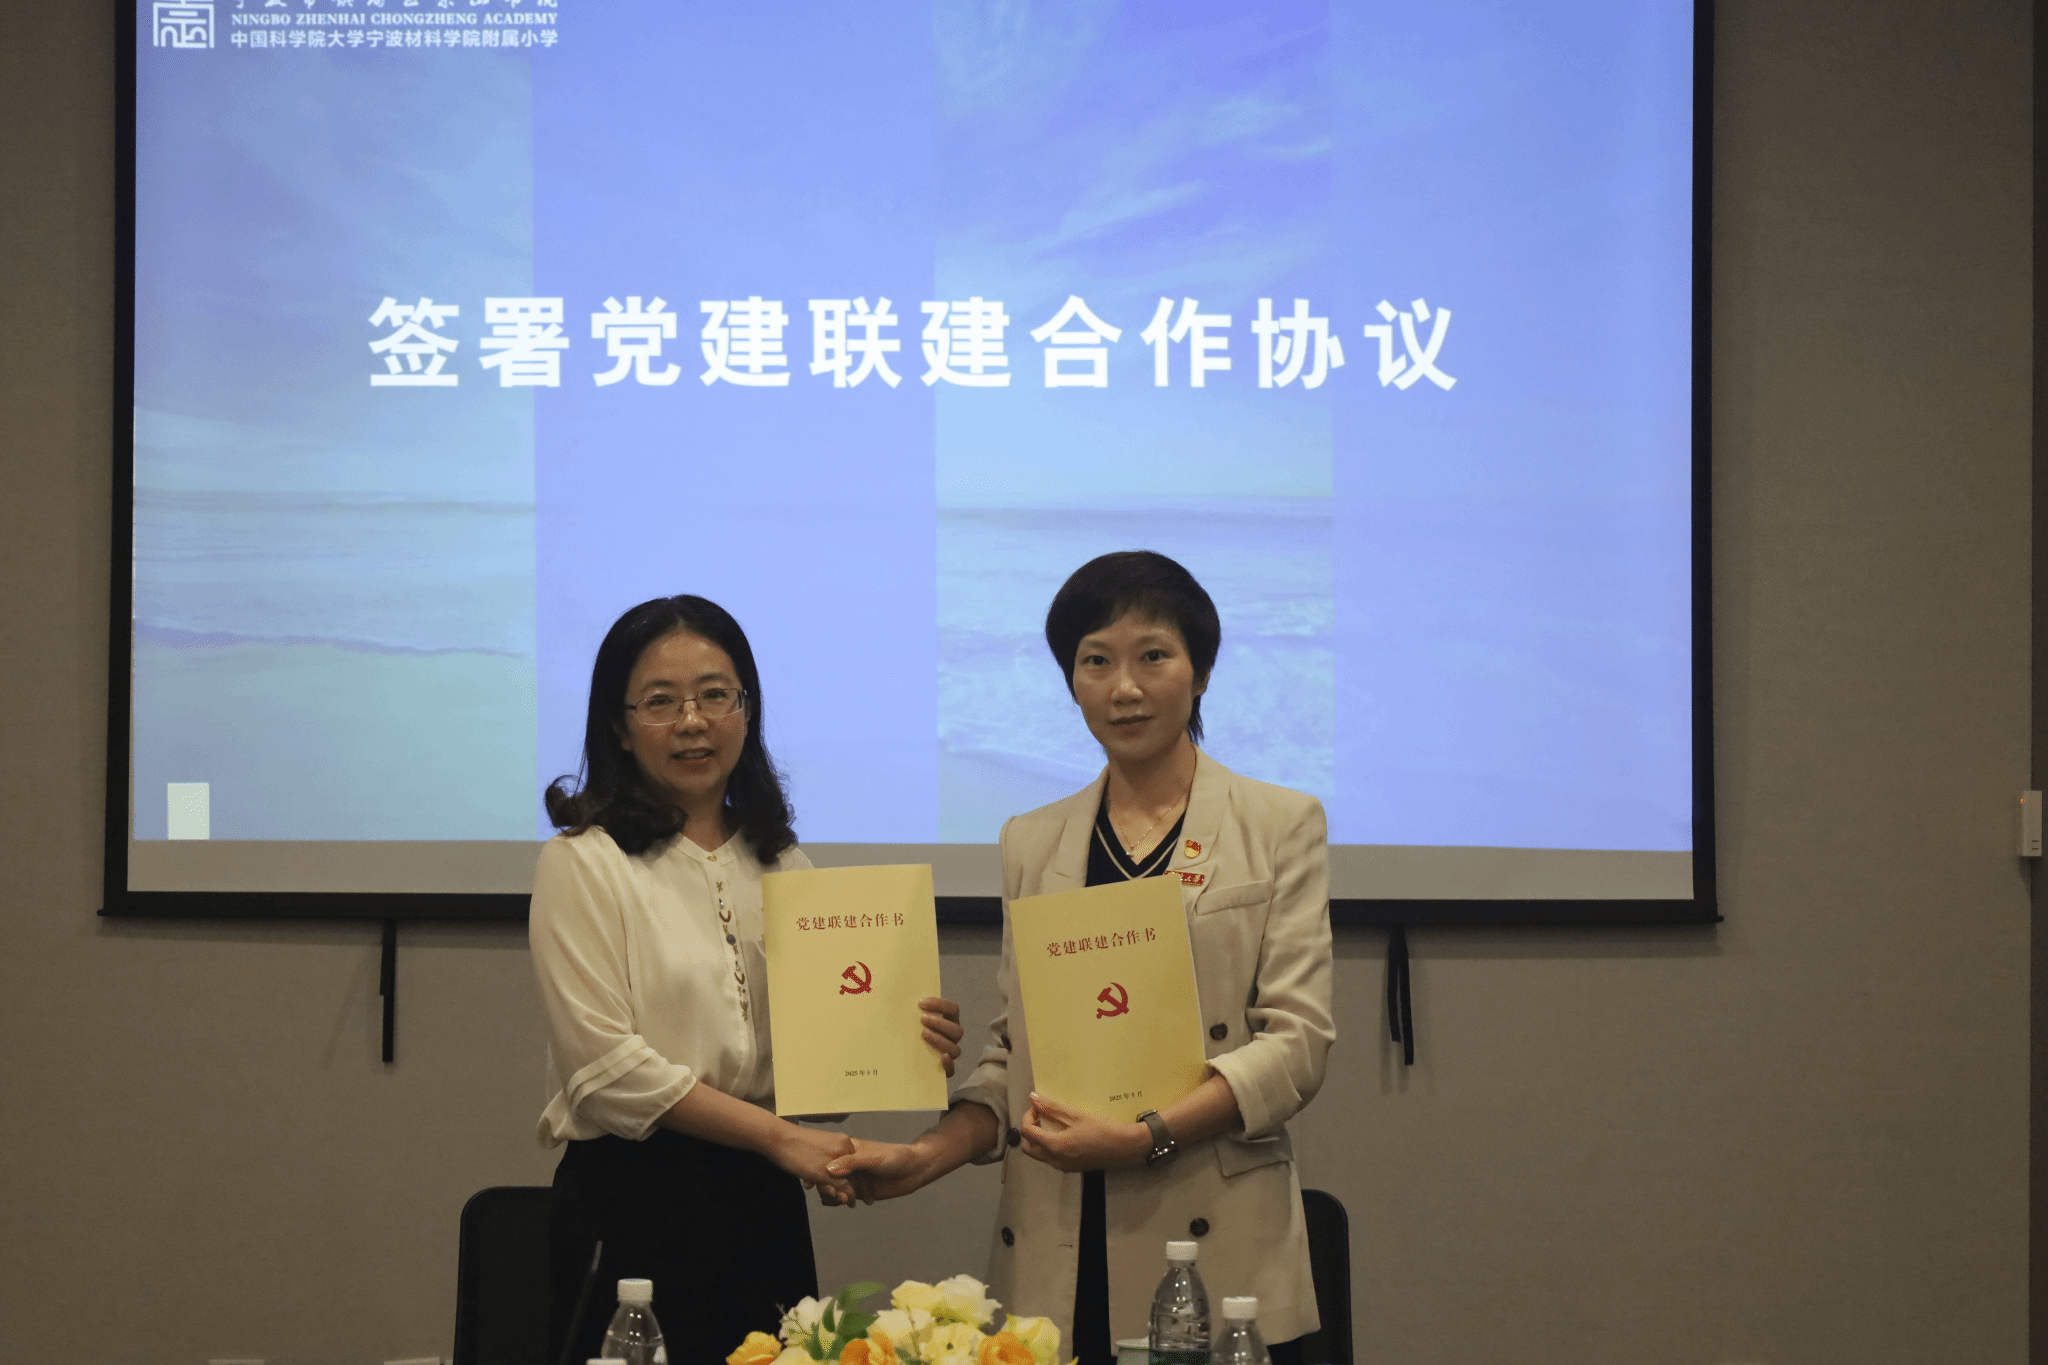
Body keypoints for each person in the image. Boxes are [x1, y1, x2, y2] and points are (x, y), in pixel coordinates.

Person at [829, 552, 1335, 1365]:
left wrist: (1147, 1135)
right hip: (1060, 1236)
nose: (1123, 687)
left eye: (1153, 656)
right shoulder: (1033, 840)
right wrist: (927, 1154)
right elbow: (1013, 1055)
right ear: (1072, 680)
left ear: (1202, 672)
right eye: (1096, 661)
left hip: (1213, 1230)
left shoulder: (1278, 822)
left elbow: (1298, 1044)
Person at [530, 594, 965, 1365]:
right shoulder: (583, 861)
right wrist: (782, 1138)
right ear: (619, 726)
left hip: (762, 1204)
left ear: (747, 709)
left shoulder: (783, 864)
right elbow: (605, 1071)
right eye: (660, 701)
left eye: (715, 695)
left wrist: (897, 1032)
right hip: (631, 1202)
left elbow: (807, 1080)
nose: (692, 721)